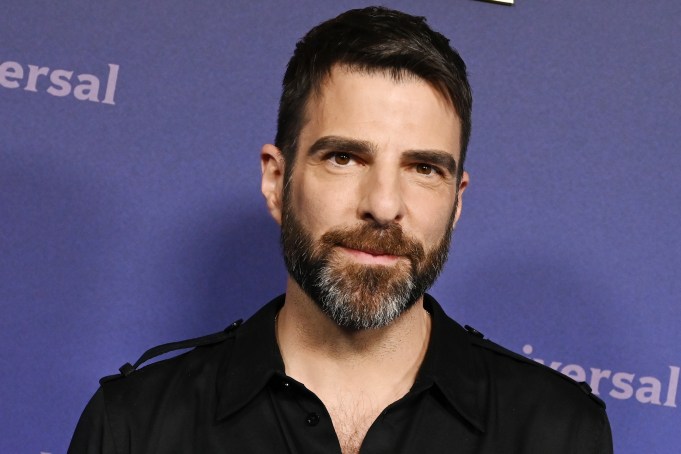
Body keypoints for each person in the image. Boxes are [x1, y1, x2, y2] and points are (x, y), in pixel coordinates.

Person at [69, 6, 613, 454]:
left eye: (423, 168)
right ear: (276, 180)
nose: (382, 205)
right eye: (345, 158)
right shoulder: (135, 426)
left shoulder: (557, 433)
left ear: (457, 200)